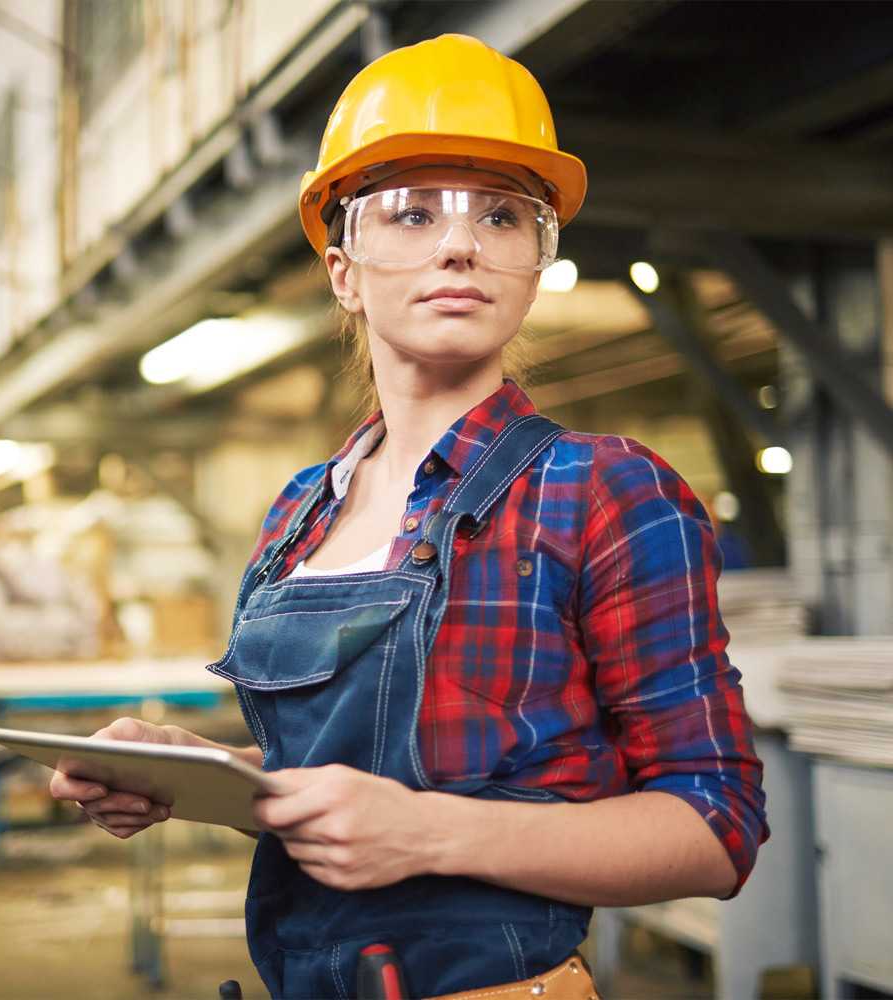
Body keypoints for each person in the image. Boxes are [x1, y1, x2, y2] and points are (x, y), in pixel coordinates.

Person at [50, 34, 767, 1000]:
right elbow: (355, 782)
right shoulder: (301, 510)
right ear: (344, 272)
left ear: (535, 262)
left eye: (504, 217)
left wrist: (431, 833)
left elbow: (715, 827)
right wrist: (208, 774)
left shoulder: (602, 490)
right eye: (412, 212)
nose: (460, 243)